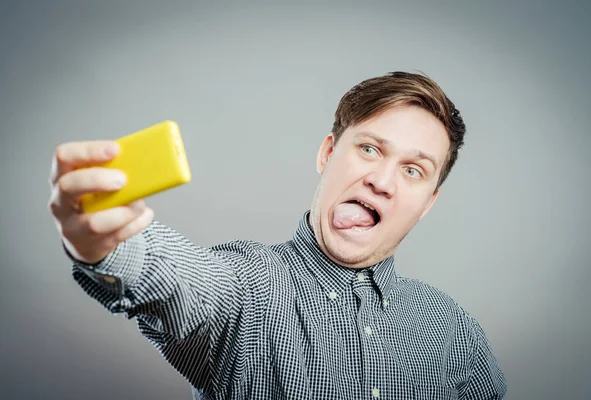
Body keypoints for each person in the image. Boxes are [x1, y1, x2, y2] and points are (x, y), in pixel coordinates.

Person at [48, 71, 507, 399]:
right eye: (369, 148)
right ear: (328, 153)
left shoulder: (453, 332)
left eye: (413, 170)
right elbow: (179, 278)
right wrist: (105, 242)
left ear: (428, 202)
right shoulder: (246, 286)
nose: (382, 181)